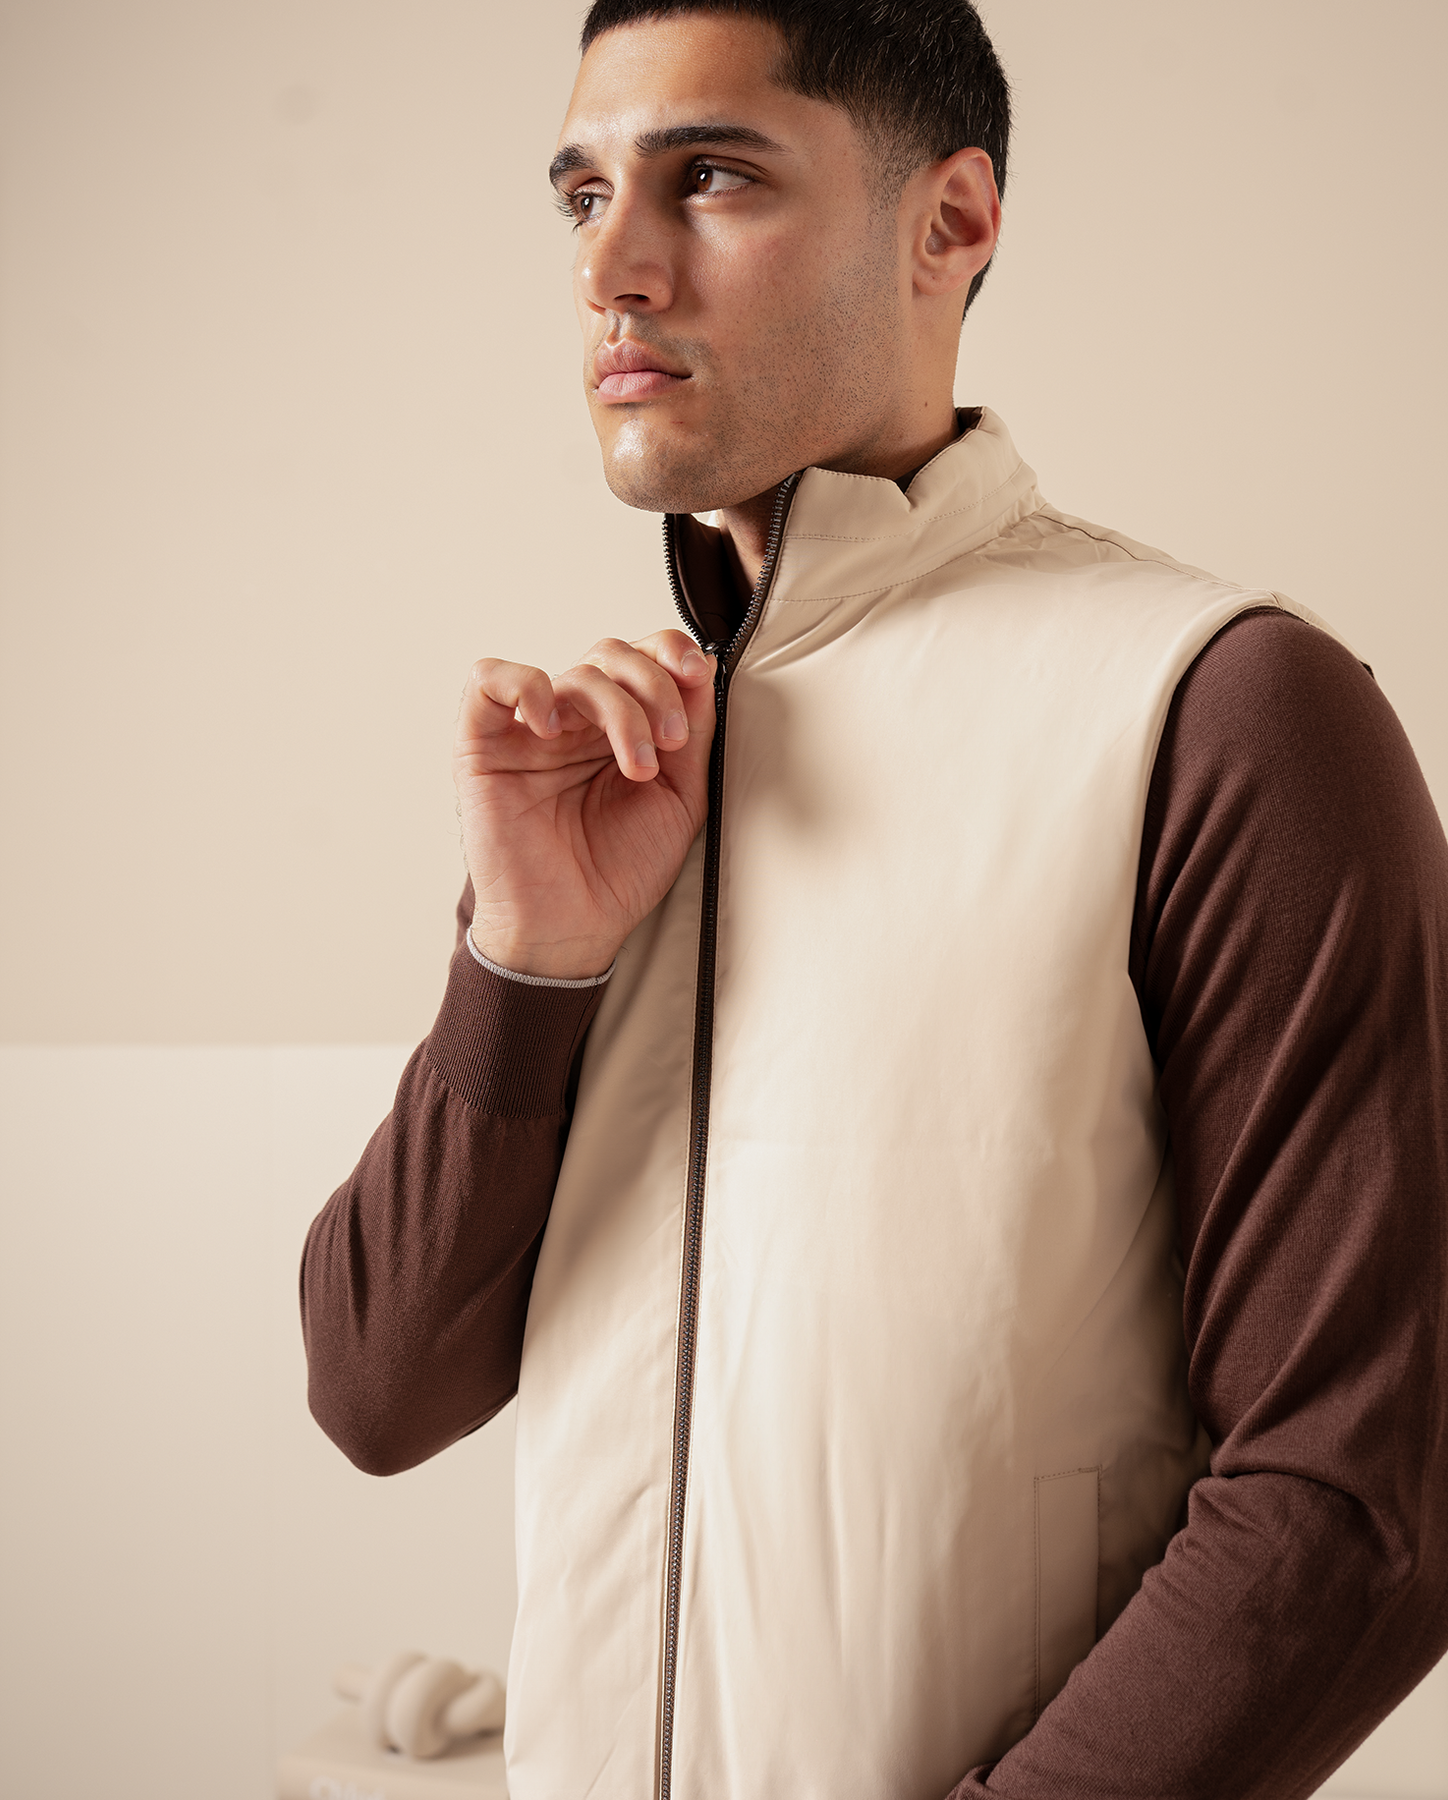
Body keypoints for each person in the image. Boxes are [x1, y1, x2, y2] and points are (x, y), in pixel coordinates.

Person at [300, 3, 1448, 1796]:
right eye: (582, 194)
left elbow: (1362, 1502)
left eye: (711, 176)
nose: (611, 268)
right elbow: (378, 1390)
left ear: (952, 222)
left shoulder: (1221, 709)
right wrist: (526, 957)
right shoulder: (632, 768)